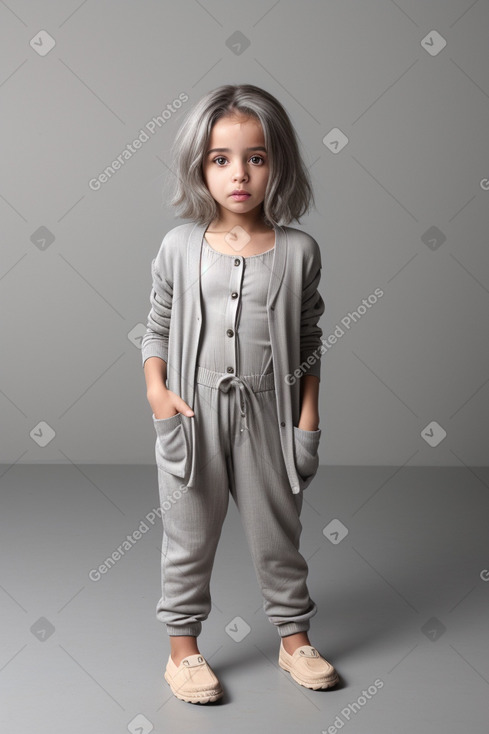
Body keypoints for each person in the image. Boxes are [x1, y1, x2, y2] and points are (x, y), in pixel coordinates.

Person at [141, 83, 339, 704]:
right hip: (193, 411)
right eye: (221, 159)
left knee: (278, 533)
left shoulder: (299, 251)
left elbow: (309, 340)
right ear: (200, 166)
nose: (239, 174)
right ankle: (183, 650)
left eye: (256, 157)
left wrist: (306, 418)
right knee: (188, 532)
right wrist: (157, 392)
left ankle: (294, 640)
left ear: (277, 163)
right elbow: (156, 325)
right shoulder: (178, 246)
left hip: (271, 414)